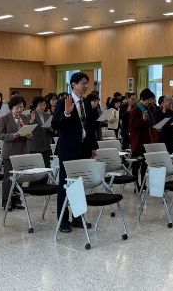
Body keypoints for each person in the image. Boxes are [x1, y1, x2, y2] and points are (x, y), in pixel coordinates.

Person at [52, 72, 94, 233]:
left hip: (83, 148)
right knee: (65, 184)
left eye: (87, 83)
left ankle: (78, 218)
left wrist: (93, 147)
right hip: (68, 149)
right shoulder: (64, 101)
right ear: (73, 85)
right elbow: (55, 124)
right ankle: (63, 220)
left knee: (78, 185)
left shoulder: (86, 102)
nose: (86, 86)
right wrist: (67, 113)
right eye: (83, 83)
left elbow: (90, 126)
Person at [0, 95, 31, 210]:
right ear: (11, 108)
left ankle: (16, 200)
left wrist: (29, 135)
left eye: (22, 107)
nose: (20, 110)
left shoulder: (25, 118)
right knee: (8, 178)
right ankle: (6, 202)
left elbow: (29, 132)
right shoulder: (4, 118)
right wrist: (12, 136)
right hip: (10, 152)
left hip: (22, 151)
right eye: (17, 107)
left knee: (19, 177)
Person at [129, 89, 158, 187]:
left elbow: (150, 122)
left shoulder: (147, 108)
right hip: (138, 141)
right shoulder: (135, 109)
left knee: (145, 165)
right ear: (142, 99)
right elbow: (133, 127)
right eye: (148, 100)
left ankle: (143, 184)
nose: (150, 102)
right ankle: (136, 185)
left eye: (150, 100)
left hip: (146, 141)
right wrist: (142, 120)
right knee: (136, 165)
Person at [27, 96, 54, 171]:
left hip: (46, 145)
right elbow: (27, 130)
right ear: (36, 105)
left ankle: (45, 179)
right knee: (35, 168)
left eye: (44, 104)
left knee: (46, 167)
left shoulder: (48, 115)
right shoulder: (30, 115)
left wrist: (50, 128)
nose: (42, 107)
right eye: (40, 105)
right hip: (35, 145)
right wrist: (31, 121)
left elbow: (53, 130)